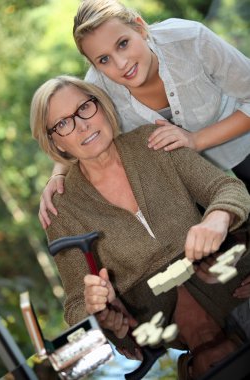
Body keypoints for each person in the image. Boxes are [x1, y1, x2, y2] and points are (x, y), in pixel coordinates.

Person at [30, 75, 250, 379]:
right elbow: (76, 306)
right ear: (55, 141)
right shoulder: (61, 210)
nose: (81, 125)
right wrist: (98, 311)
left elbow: (227, 189)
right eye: (63, 123)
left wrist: (217, 217)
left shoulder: (153, 141)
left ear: (102, 107)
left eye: (84, 108)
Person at [38, 0, 250, 229]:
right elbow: (78, 130)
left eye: (123, 44)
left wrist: (195, 140)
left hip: (242, 140)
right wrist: (58, 174)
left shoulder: (190, 39)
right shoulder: (98, 88)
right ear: (94, 65)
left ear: (140, 27)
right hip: (184, 179)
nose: (121, 64)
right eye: (104, 60)